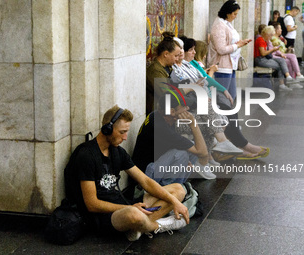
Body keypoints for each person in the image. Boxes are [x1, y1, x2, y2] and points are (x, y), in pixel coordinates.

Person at [64, 105, 190, 242]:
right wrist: (130, 207)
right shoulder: (86, 155)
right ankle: (158, 225)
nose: (125, 138)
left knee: (178, 189)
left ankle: (138, 228)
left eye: (127, 132)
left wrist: (175, 202)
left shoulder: (117, 151)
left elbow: (145, 181)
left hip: (123, 203)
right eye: (122, 132)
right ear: (108, 129)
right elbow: (92, 204)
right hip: (104, 216)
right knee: (134, 215)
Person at [181, 36, 270, 160]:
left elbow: (205, 80)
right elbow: (197, 83)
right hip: (196, 103)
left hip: (205, 98)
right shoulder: (182, 68)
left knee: (228, 109)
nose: (194, 53)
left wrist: (223, 90)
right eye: (191, 50)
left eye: (195, 50)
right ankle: (238, 147)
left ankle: (236, 146)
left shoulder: (192, 63)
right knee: (224, 112)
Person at [169, 37, 243, 165]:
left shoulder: (188, 65)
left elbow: (203, 80)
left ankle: (209, 156)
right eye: (179, 51)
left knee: (219, 116)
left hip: (200, 103)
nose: (192, 52)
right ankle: (211, 153)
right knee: (212, 119)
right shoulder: (174, 70)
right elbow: (180, 92)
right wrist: (196, 91)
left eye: (182, 49)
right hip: (186, 110)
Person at [132, 93, 215, 183]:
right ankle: (168, 190)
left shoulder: (162, 116)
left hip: (154, 165)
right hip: (144, 176)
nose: (187, 108)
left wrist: (185, 162)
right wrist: (193, 124)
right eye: (184, 107)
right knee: (181, 153)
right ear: (172, 111)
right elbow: (202, 152)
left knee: (191, 148)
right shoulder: (161, 128)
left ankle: (177, 187)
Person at [208, 0, 252, 101]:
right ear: (228, 13)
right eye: (234, 14)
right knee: (223, 97)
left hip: (230, 64)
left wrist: (239, 43)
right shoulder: (219, 25)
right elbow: (221, 49)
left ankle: (228, 116)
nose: (236, 16)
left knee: (231, 95)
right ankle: (221, 116)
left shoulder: (226, 23)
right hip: (222, 66)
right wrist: (237, 45)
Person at [254, 25, 298, 91]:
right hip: (260, 60)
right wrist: (272, 50)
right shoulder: (260, 40)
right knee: (279, 66)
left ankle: (288, 77)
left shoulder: (264, 40)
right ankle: (282, 84)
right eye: (270, 35)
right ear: (266, 34)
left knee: (281, 60)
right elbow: (263, 53)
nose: (271, 37)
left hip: (264, 58)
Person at [146, 32, 181, 114]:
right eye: (176, 56)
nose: (177, 59)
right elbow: (166, 95)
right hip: (159, 113)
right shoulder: (155, 70)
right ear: (166, 54)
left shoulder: (168, 67)